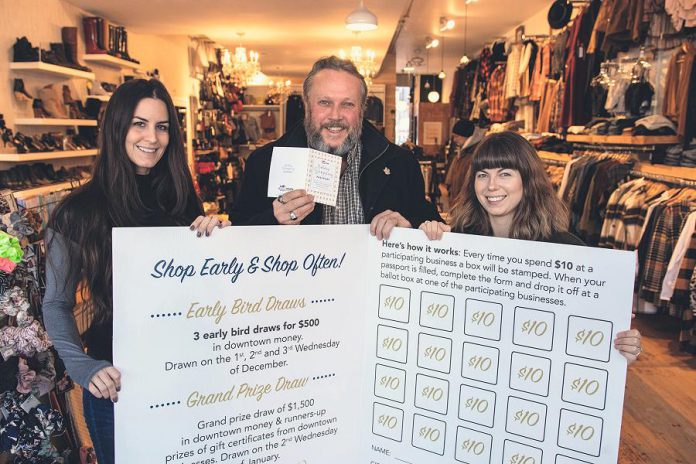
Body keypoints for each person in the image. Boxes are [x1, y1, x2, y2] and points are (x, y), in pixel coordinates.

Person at [42, 79, 223, 464]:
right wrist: (83, 366)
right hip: (119, 388)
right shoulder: (77, 211)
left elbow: (200, 290)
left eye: (161, 127)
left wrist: (216, 246)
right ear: (117, 127)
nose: (152, 138)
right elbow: (56, 304)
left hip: (187, 377)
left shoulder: (180, 199)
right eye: (139, 124)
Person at [420, 131, 643, 363]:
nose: (491, 186)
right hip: (471, 374)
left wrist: (623, 348)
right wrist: (425, 242)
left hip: (529, 378)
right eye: (482, 175)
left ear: (527, 180)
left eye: (505, 173)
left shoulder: (566, 251)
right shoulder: (458, 243)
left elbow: (589, 334)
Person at [224, 56, 441, 239]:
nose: (335, 116)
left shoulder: (400, 163)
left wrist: (409, 228)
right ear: (307, 105)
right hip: (297, 288)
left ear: (362, 109)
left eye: (347, 104)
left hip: (371, 288)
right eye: (324, 103)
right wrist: (273, 219)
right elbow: (237, 233)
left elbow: (432, 227)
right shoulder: (264, 162)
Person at [444, 119, 487, 205]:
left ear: (466, 136)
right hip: (459, 204)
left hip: (468, 206)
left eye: (457, 136)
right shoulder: (462, 153)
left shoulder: (476, 153)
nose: (454, 140)